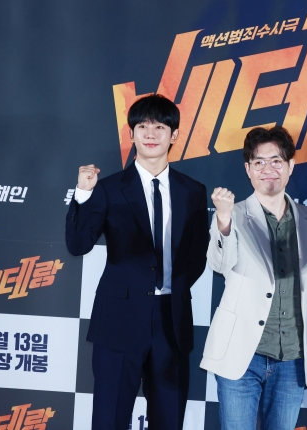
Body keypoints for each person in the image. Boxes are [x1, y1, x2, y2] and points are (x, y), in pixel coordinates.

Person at [65, 94, 208, 430]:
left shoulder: (193, 191)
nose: (150, 133)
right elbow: (77, 244)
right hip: (118, 321)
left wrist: (175, 288)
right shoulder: (108, 188)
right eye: (142, 126)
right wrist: (82, 195)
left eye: (160, 126)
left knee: (169, 420)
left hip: (171, 323)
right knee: (109, 419)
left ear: (174, 135)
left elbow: (197, 254)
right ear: (131, 134)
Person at [200, 126, 307, 430]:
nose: (268, 169)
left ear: (290, 166)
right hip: (240, 355)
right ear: (248, 169)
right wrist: (222, 223)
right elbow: (220, 264)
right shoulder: (231, 214)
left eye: (276, 161)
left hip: (292, 358)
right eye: (259, 162)